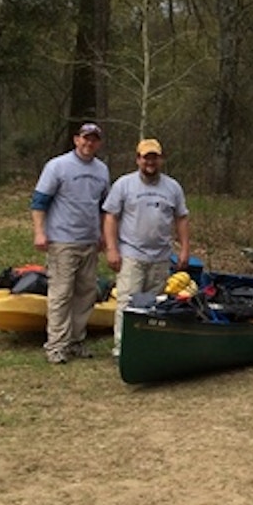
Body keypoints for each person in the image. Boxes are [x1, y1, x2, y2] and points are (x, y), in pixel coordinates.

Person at [30, 122, 111, 364]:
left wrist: (103, 235)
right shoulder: (58, 166)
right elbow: (39, 202)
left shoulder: (102, 171)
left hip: (90, 242)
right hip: (62, 241)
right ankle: (56, 345)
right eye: (85, 138)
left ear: (99, 143)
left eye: (94, 139)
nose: (89, 143)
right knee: (61, 294)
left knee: (86, 293)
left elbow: (104, 207)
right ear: (76, 140)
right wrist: (39, 232)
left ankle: (76, 340)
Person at [102, 138, 190, 358]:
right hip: (131, 254)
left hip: (161, 256)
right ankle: (122, 349)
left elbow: (181, 219)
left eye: (154, 158)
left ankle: (149, 347)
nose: (150, 162)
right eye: (145, 158)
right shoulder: (124, 185)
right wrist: (111, 249)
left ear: (161, 160)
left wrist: (185, 248)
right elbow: (111, 217)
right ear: (138, 159)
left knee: (156, 305)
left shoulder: (173, 187)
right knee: (128, 304)